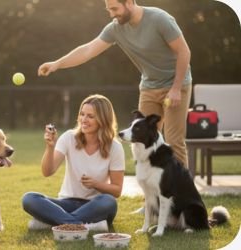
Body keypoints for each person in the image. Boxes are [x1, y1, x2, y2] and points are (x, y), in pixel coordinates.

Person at [38, 0, 192, 167]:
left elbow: (183, 51)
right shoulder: (116, 28)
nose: (112, 14)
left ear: (129, 2)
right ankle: (150, 192)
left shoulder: (159, 19)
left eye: (114, 9)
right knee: (141, 141)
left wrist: (176, 88)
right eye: (109, 10)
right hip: (149, 87)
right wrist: (57, 64)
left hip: (177, 83)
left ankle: (181, 192)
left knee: (174, 142)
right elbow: (88, 49)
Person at [22, 94, 125, 230]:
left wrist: (96, 184)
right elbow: (47, 171)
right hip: (66, 203)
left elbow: (117, 190)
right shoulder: (69, 137)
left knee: (109, 202)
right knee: (29, 199)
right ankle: (88, 226)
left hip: (95, 205)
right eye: (82, 114)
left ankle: (51, 223)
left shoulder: (115, 147)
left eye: (90, 116)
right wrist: (50, 147)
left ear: (103, 120)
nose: (84, 119)